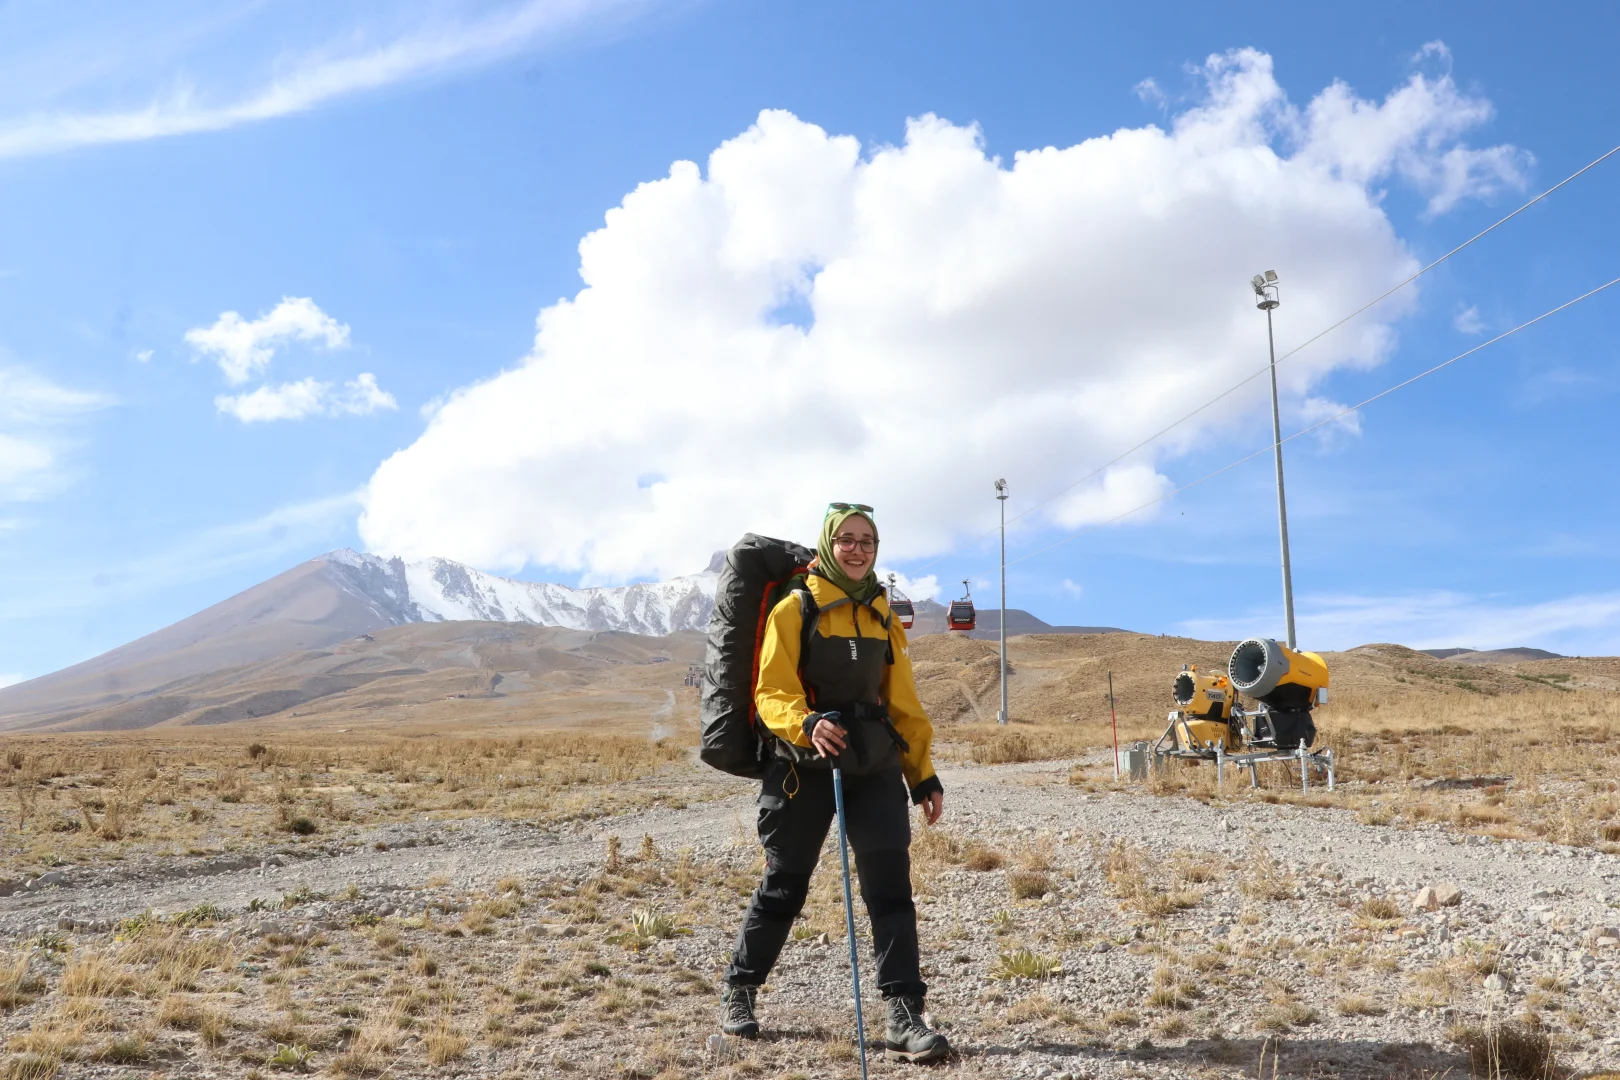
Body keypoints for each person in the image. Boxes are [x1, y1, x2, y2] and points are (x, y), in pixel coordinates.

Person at [720, 503, 950, 1064]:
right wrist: (806, 722)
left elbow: (902, 702)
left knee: (890, 891)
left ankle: (904, 1014)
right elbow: (771, 690)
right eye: (846, 539)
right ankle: (740, 990)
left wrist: (922, 774)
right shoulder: (795, 606)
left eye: (867, 541)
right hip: (802, 765)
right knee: (785, 884)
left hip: (873, 766)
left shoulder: (883, 615)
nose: (857, 549)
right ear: (828, 544)